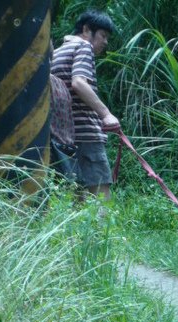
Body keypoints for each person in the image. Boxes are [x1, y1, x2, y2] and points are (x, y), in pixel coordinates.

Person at [51, 10, 120, 201]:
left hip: (67, 136)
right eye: (103, 35)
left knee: (78, 197)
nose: (106, 42)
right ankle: (103, 232)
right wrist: (106, 114)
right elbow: (79, 83)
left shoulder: (56, 53)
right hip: (87, 135)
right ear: (86, 29)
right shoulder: (83, 47)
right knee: (101, 197)